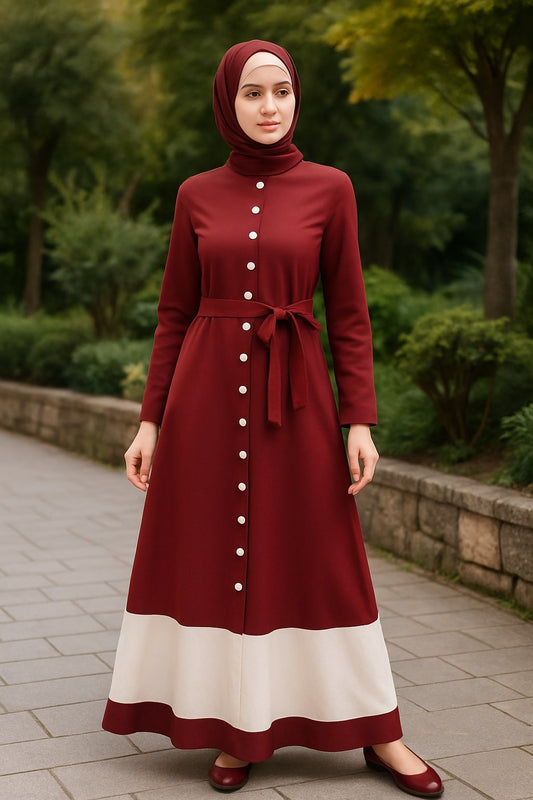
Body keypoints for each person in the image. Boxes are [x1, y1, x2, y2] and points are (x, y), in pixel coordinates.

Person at [102, 40, 443, 798]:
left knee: (322, 557)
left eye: (280, 92)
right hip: (203, 405)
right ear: (228, 102)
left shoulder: (332, 188)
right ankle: (237, 729)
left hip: (297, 406)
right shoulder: (195, 193)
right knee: (214, 557)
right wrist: (148, 422)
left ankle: (378, 731)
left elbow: (349, 314)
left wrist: (359, 421)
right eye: (251, 93)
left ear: (296, 99)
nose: (267, 107)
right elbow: (173, 314)